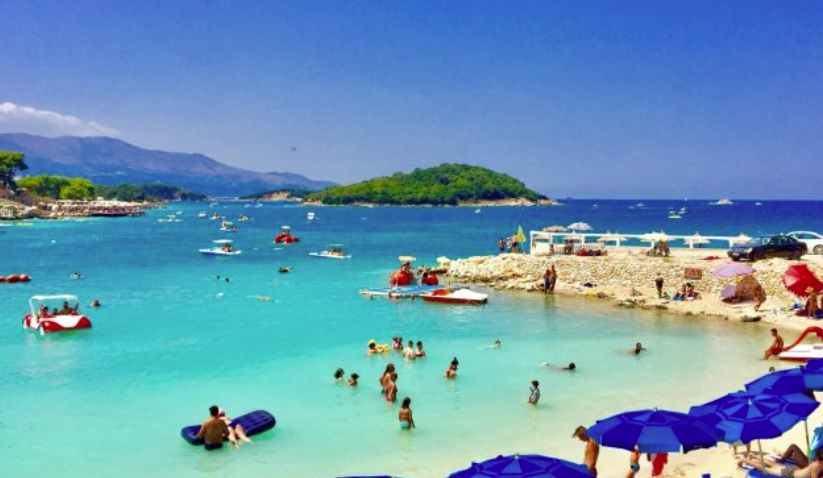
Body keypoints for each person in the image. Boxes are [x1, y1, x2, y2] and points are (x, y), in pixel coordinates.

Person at [737, 447, 823, 478]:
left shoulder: (817, 463)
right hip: (791, 473)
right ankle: (745, 460)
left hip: (795, 470)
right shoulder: (817, 466)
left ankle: (754, 456)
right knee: (766, 469)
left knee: (774, 465)